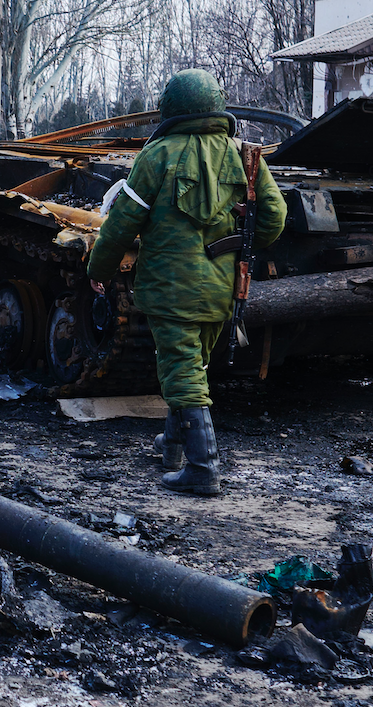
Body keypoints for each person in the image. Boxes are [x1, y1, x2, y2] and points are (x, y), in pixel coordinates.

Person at [87, 69, 287, 496]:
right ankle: (174, 445)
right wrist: (241, 245)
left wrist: (98, 270)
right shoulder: (244, 154)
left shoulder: (156, 154)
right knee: (190, 365)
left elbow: (122, 224)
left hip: (168, 286)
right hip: (221, 288)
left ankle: (204, 467)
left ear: (172, 107)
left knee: (180, 370)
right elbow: (275, 218)